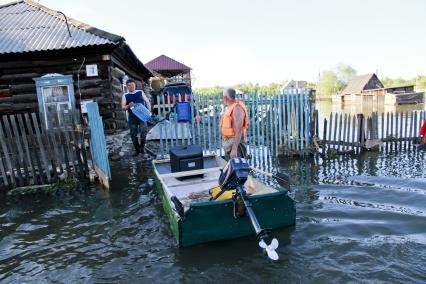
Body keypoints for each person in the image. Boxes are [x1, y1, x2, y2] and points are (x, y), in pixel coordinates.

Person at [121, 79, 151, 157]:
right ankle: (137, 150)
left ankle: (142, 148)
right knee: (133, 135)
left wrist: (149, 112)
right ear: (127, 86)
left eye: (132, 85)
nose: (131, 86)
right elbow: (123, 107)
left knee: (143, 132)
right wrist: (128, 106)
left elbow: (147, 101)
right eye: (129, 85)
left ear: (135, 85)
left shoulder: (140, 92)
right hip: (132, 118)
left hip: (142, 117)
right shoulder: (125, 95)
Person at [220, 87, 249, 160]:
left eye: (223, 97)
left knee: (239, 168)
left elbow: (239, 131)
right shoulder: (230, 108)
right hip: (229, 146)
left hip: (236, 147)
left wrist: (234, 149)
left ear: (225, 98)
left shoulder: (237, 109)